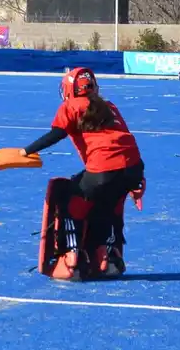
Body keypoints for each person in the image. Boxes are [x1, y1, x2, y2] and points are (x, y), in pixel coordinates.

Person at [20, 67, 145, 278]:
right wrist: (139, 178)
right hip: (133, 167)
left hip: (104, 167)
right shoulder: (109, 106)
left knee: (70, 202)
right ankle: (108, 256)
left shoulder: (71, 106)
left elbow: (56, 134)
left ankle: (71, 257)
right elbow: (126, 138)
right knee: (108, 204)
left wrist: (27, 150)